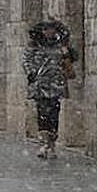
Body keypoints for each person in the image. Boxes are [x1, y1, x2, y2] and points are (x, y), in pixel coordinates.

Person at [22, 21, 76, 159]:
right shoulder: (35, 45)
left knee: (54, 113)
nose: (49, 32)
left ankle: (52, 143)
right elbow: (26, 60)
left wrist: (66, 52)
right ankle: (44, 143)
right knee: (42, 112)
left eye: (51, 29)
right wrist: (32, 73)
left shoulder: (61, 45)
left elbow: (73, 58)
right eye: (46, 29)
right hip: (40, 84)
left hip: (56, 84)